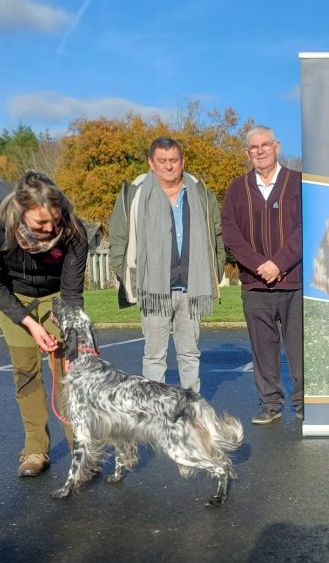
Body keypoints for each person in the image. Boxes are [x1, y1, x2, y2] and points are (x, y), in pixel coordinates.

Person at [0, 171, 88, 477]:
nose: (50, 228)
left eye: (55, 220)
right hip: (14, 298)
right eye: (41, 224)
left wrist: (69, 333)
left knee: (70, 375)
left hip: (58, 299)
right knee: (26, 374)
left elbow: (72, 292)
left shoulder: (73, 229)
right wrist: (30, 324)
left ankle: (81, 450)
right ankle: (35, 449)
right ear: (22, 212)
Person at [109, 137, 225, 392]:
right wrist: (130, 276)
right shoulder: (135, 192)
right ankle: (155, 414)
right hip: (153, 292)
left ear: (183, 161)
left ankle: (191, 412)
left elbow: (216, 235)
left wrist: (215, 272)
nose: (168, 166)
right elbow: (117, 240)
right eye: (162, 161)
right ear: (151, 163)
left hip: (192, 289)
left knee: (190, 355)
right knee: (154, 357)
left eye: (174, 160)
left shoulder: (200, 191)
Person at [221, 125, 303, 424]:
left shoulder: (297, 182)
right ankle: (270, 404)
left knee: (299, 348)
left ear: (277, 146)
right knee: (262, 349)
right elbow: (231, 234)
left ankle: (304, 403)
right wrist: (259, 265)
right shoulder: (236, 189)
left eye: (265, 145)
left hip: (293, 281)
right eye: (254, 148)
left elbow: (306, 227)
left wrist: (279, 263)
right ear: (247, 153)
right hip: (255, 285)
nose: (260, 151)